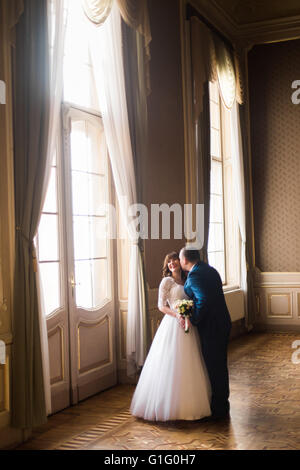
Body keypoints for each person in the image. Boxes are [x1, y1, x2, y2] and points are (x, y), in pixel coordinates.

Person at [130, 251, 211, 421]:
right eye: (169, 262)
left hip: (188, 324)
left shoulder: (188, 279)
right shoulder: (167, 281)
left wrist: (187, 314)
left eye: (174, 260)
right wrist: (178, 315)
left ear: (181, 262)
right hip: (172, 324)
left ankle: (188, 403)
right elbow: (161, 306)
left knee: (189, 361)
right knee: (170, 361)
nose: (172, 263)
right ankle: (167, 404)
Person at [179, 248, 232, 419]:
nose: (180, 262)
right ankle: (222, 402)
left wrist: (193, 319)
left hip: (212, 326)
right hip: (221, 322)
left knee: (215, 366)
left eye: (180, 258)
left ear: (185, 260)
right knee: (219, 365)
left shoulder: (195, 276)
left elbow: (203, 300)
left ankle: (219, 406)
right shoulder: (210, 269)